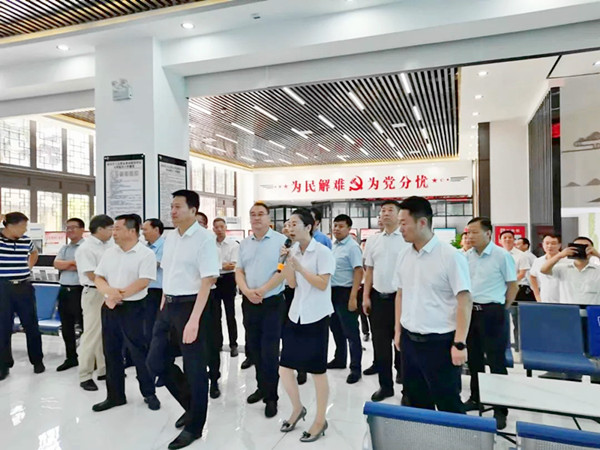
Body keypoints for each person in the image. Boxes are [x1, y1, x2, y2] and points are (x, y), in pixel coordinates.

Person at [146, 190, 219, 450]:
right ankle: (191, 406)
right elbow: (169, 272)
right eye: (172, 206)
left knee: (195, 368)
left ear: (193, 210)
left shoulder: (204, 238)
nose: (173, 211)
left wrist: (194, 320)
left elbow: (207, 280)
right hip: (168, 305)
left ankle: (195, 427)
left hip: (193, 306)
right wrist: (163, 302)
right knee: (155, 361)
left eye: (178, 207)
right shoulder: (171, 237)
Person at [393, 197, 472, 412]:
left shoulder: (450, 256)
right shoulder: (403, 255)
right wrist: (398, 332)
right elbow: (400, 294)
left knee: (448, 403)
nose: (400, 229)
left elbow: (464, 300)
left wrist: (459, 344)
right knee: (416, 402)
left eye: (403, 223)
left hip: (440, 343)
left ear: (422, 223)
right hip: (409, 341)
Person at [275, 208, 335, 442]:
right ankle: (297, 408)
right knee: (284, 367)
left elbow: (322, 284)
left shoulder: (322, 252)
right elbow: (291, 284)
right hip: (296, 314)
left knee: (317, 372)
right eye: (288, 224)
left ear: (308, 227)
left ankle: (320, 420)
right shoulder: (292, 251)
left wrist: (300, 267)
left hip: (316, 316)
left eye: (294, 224)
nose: (289, 228)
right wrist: (288, 264)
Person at [92, 214, 160, 413]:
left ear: (132, 231)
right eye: (113, 229)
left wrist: (117, 295)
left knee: (139, 352)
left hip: (135, 308)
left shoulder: (145, 254)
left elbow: (144, 281)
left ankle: (149, 393)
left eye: (117, 228)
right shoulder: (110, 253)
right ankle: (115, 396)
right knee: (111, 352)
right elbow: (98, 277)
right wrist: (108, 293)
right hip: (110, 307)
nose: (113, 232)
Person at [464, 217, 518, 430]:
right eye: (468, 232)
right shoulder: (465, 256)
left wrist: (502, 308)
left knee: (496, 362)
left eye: (474, 232)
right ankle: (476, 398)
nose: (470, 236)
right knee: (474, 359)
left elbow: (512, 286)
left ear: (488, 234)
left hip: (493, 312)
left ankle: (500, 408)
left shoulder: (501, 255)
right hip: (470, 312)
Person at [235, 202, 288, 418]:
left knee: (269, 351)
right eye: (252, 214)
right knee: (254, 348)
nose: (256, 218)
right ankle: (261, 387)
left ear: (269, 218)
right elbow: (239, 270)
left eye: (260, 214)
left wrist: (262, 290)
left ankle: (272, 397)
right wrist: (247, 291)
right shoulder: (244, 244)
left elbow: (282, 271)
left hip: (272, 303)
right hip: (249, 302)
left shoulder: (281, 241)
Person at [363, 201, 409, 401]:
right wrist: (365, 296)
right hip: (378, 299)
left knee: (403, 345)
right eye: (383, 210)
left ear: (399, 215)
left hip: (402, 300)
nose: (385, 213)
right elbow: (369, 270)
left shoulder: (407, 239)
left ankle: (407, 388)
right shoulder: (373, 240)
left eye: (390, 210)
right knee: (380, 345)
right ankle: (385, 386)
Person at [0, 212, 43, 380]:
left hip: (24, 287)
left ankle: (37, 361)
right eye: (22, 226)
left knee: (31, 325)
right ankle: (4, 365)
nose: (25, 230)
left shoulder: (26, 240)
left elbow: (34, 253)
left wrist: (28, 267)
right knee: (3, 327)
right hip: (3, 287)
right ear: (10, 226)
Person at [75, 214, 114, 391]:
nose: (113, 232)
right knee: (91, 334)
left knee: (104, 332)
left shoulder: (109, 245)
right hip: (94, 292)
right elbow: (91, 275)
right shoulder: (86, 248)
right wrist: (109, 289)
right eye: (110, 228)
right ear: (100, 229)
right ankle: (85, 375)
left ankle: (103, 369)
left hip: (108, 291)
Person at [328, 214, 364, 384]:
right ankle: (339, 359)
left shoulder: (352, 247)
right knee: (336, 328)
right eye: (335, 225)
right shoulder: (333, 245)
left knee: (351, 332)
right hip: (332, 292)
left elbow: (358, 271)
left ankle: (355, 368)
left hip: (347, 292)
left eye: (341, 226)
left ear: (349, 229)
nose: (337, 229)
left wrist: (353, 297)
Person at [53, 217, 85, 372]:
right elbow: (56, 264)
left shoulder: (86, 248)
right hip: (64, 290)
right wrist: (71, 263)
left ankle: (88, 358)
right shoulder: (65, 248)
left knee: (85, 327)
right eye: (68, 228)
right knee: (66, 326)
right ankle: (71, 357)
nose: (70, 230)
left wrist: (66, 264)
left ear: (82, 229)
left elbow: (83, 266)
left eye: (73, 227)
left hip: (80, 290)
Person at [282, 220, 307, 386]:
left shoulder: (300, 248)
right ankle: (288, 362)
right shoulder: (282, 247)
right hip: (280, 292)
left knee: (299, 330)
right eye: (285, 226)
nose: (287, 229)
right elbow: (277, 268)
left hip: (296, 291)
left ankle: (302, 367)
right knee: (286, 330)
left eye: (291, 226)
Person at [540, 236, 600, 305]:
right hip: (568, 310)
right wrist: (560, 255)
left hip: (592, 310)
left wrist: (597, 255)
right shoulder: (562, 268)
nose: (581, 250)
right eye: (577, 247)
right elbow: (543, 270)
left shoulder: (597, 270)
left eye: (586, 247)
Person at [500, 230, 532, 351]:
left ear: (514, 240)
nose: (507, 239)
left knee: (517, 321)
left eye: (510, 237)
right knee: (502, 320)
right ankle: (504, 347)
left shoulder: (521, 255)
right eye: (505, 237)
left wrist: (509, 283)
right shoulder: (497, 254)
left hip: (517, 290)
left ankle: (519, 347)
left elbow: (522, 273)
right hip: (500, 291)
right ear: (500, 240)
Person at [213, 218, 240, 357]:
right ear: (213, 229)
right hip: (214, 280)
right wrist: (222, 265)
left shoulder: (233, 245)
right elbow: (208, 264)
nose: (219, 229)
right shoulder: (210, 244)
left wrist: (217, 265)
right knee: (215, 315)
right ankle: (217, 344)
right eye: (216, 227)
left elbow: (232, 265)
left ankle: (233, 344)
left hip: (228, 280)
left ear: (225, 228)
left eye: (221, 227)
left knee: (230, 314)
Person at [141, 218, 165, 345]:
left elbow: (153, 266)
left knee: (155, 323)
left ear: (156, 230)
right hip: (145, 289)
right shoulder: (145, 247)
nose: (143, 232)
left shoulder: (164, 246)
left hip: (158, 290)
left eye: (145, 229)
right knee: (146, 323)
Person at [529, 234, 563, 303]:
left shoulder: (566, 260)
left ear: (559, 245)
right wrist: (537, 295)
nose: (549, 246)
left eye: (553, 243)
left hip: (564, 301)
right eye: (547, 243)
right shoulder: (538, 261)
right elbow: (532, 276)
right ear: (543, 245)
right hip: (544, 300)